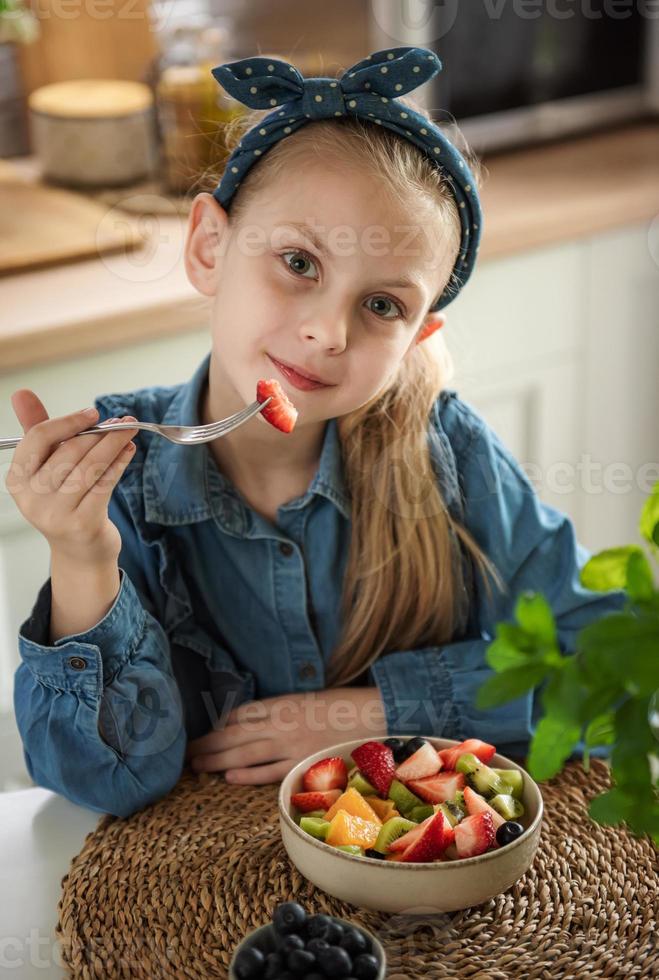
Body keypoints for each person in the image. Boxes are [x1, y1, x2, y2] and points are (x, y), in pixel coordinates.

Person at [8, 47, 625, 818]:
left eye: (381, 307)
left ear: (416, 334)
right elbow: (107, 781)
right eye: (298, 262)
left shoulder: (448, 455)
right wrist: (81, 555)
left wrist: (370, 712)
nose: (328, 333)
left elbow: (609, 673)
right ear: (209, 248)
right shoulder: (122, 483)